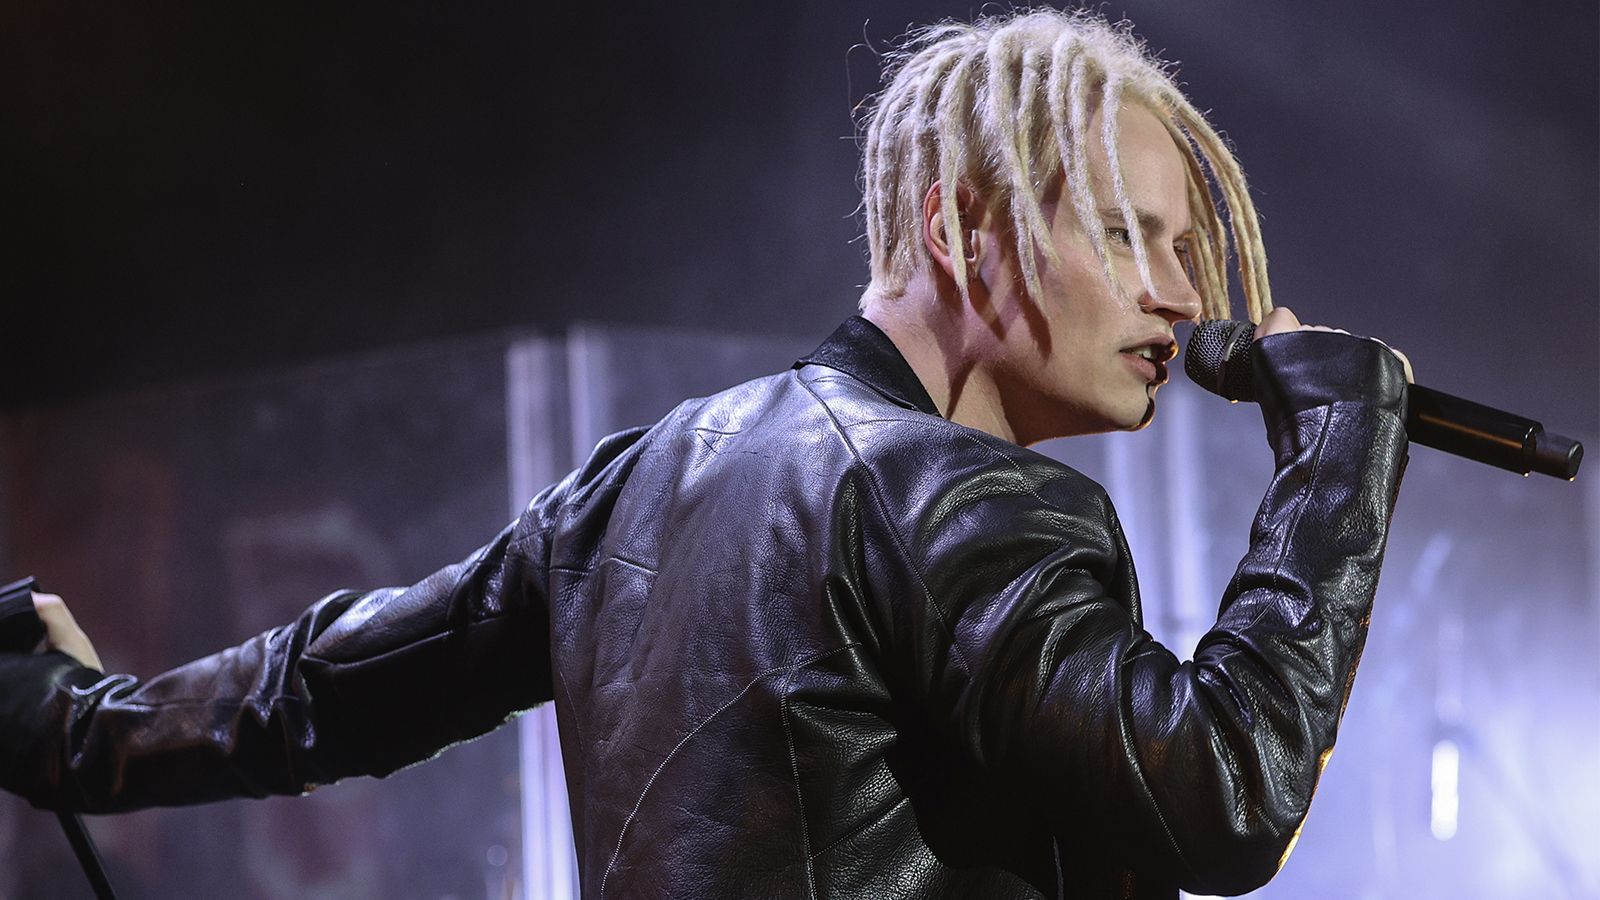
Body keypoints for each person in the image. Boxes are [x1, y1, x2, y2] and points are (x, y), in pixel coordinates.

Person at [0, 10, 1413, 899]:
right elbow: (1223, 796)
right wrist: (1336, 457)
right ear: (959, 228)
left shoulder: (639, 482)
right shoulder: (961, 497)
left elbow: (321, 691)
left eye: (1185, 246)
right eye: (1124, 232)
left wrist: (65, 722)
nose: (1182, 294)